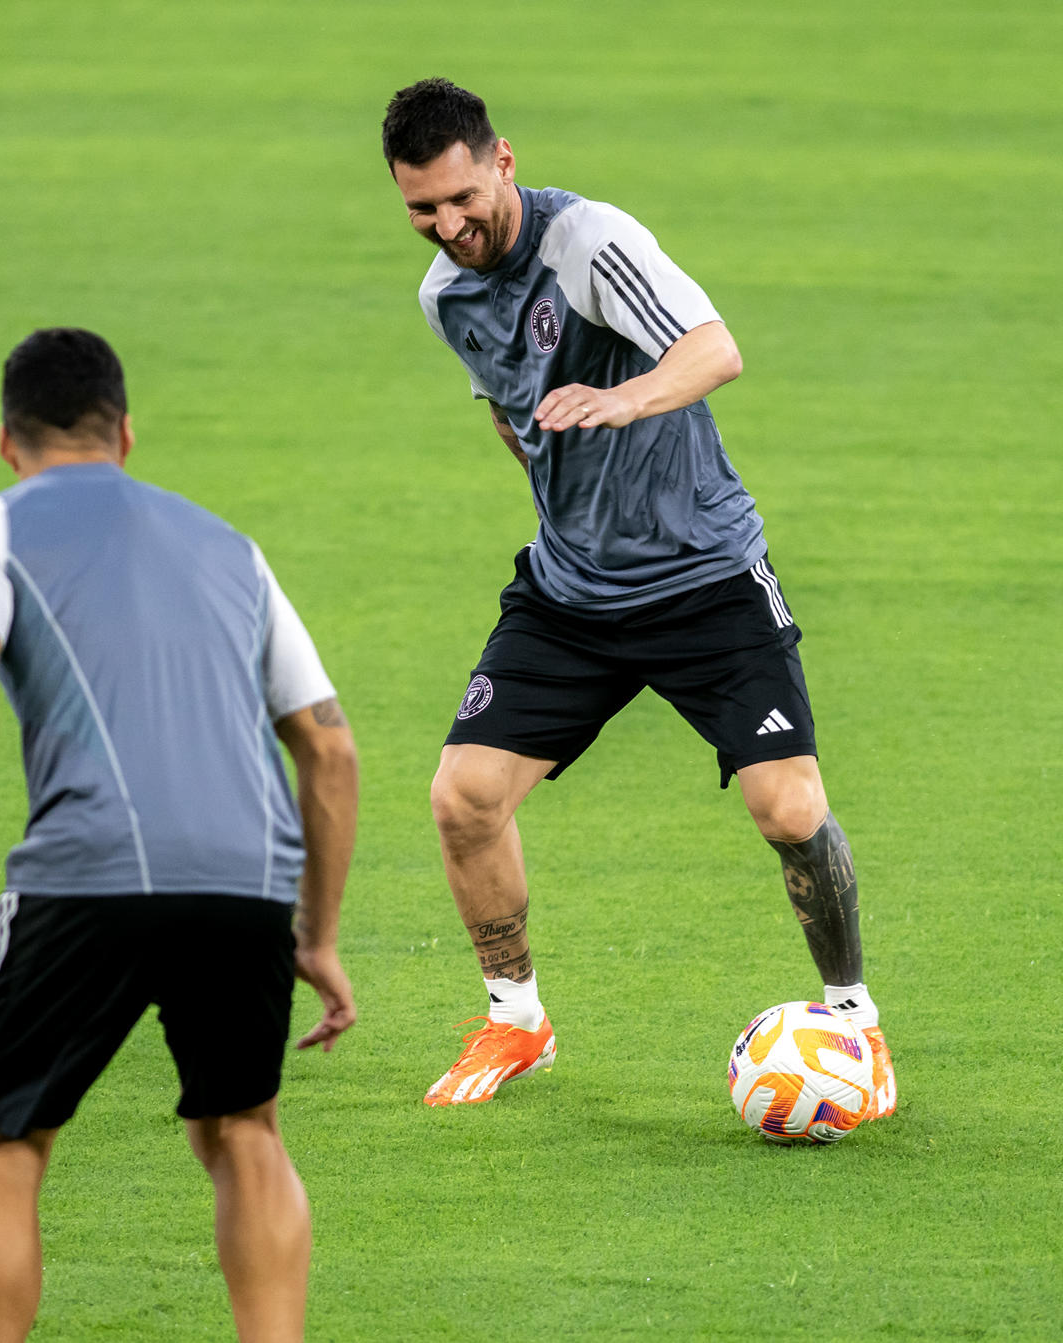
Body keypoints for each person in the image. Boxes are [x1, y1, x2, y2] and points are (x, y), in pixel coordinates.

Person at [380, 78, 896, 1115]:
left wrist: (623, 399)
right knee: (462, 796)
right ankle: (516, 1019)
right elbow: (509, 408)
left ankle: (854, 1019)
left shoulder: (591, 244)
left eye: (461, 197)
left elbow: (716, 349)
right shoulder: (445, 295)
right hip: (572, 591)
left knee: (788, 807)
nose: (449, 226)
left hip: (706, 578)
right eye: (422, 211)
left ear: (504, 162)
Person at [0, 328, 359, 1343]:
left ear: (7, 441)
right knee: (244, 1128)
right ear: (127, 435)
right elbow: (329, 749)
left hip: (87, 874)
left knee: (2, 1144)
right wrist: (315, 936)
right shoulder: (230, 546)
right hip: (246, 883)